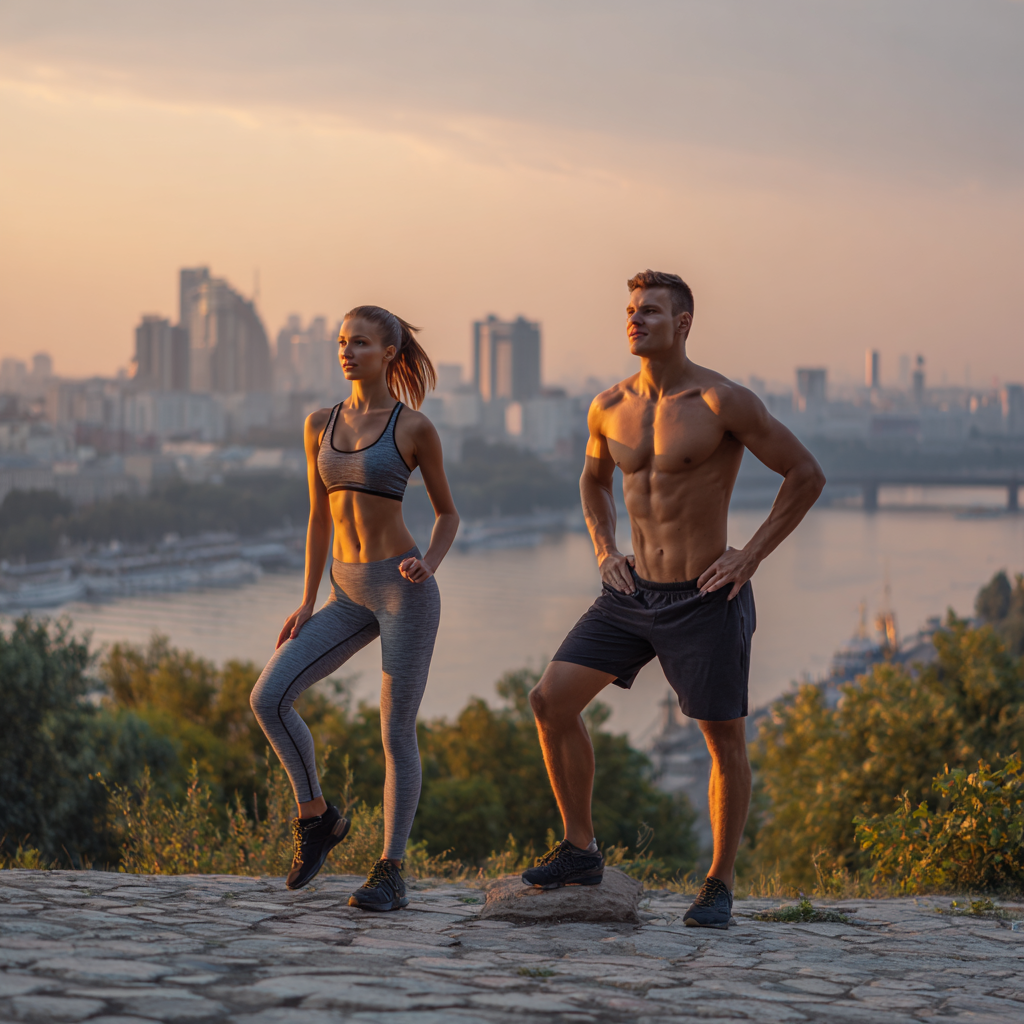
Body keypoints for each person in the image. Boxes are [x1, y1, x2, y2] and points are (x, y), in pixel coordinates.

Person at [524, 270, 825, 928]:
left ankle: (717, 882)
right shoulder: (606, 405)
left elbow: (806, 474)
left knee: (723, 741)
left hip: (704, 596)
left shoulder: (722, 401)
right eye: (631, 310)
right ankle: (580, 848)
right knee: (550, 700)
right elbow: (592, 480)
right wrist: (604, 551)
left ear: (683, 322)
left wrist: (749, 555)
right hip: (631, 593)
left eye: (651, 311)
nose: (635, 320)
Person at [250, 305, 459, 911]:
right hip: (344, 592)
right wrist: (308, 597)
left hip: (403, 590)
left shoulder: (413, 427)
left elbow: (447, 514)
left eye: (360, 343)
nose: (346, 352)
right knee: (269, 696)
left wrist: (431, 564)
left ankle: (390, 870)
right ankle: (316, 816)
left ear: (389, 353)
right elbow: (319, 516)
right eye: (341, 342)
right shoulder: (319, 423)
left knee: (395, 731)